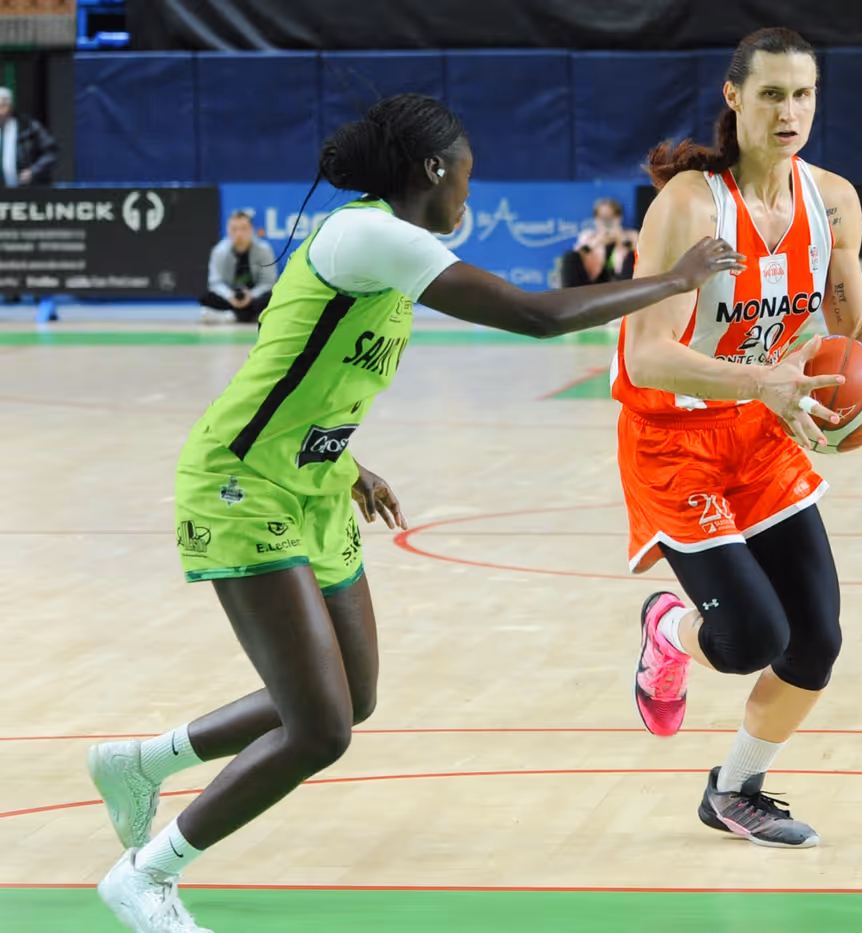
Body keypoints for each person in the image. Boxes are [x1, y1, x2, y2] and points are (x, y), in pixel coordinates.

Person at [84, 93, 741, 933]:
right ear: (434, 169)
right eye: (468, 169)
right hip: (241, 486)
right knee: (321, 728)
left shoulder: (388, 246)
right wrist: (676, 279)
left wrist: (347, 460)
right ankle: (146, 876)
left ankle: (142, 766)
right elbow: (537, 316)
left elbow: (299, 367)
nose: (473, 185)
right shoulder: (371, 234)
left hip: (313, 484)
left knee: (349, 696)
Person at [614, 27, 862, 848]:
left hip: (761, 431)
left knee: (818, 639)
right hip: (674, 438)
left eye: (802, 94)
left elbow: (850, 315)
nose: (790, 110)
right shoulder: (690, 205)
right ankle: (667, 627)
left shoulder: (832, 199)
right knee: (748, 640)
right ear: (734, 99)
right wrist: (763, 379)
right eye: (771, 94)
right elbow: (646, 353)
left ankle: (735, 788)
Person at [200, 211, 278, 325]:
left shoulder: (264, 250)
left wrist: (250, 295)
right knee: (205, 296)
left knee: (272, 296)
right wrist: (230, 296)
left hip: (254, 297)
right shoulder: (219, 251)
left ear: (252, 230)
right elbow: (215, 282)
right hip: (230, 297)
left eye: (244, 228)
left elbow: (268, 283)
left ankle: (231, 316)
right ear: (228, 230)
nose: (239, 233)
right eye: (234, 229)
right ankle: (244, 316)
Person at [561, 197, 637, 287]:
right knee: (570, 256)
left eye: (610, 216)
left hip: (621, 283)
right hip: (592, 285)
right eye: (601, 217)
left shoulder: (631, 235)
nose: (606, 221)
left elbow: (638, 256)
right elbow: (578, 257)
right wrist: (596, 241)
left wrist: (621, 237)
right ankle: (571, 297)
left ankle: (629, 295)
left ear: (619, 217)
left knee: (632, 255)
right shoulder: (588, 236)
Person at [0, 86, 58, 187]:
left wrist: (33, 171)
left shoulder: (28, 126)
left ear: (10, 106)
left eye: (2, 106)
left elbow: (51, 152)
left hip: (28, 191)